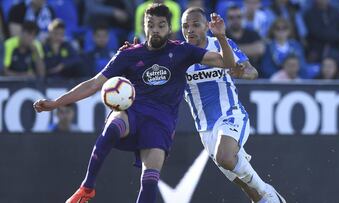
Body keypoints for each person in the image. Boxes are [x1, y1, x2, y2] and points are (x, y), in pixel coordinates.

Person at [33, 4, 238, 203]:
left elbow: (227, 63)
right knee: (114, 123)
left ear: (169, 27)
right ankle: (87, 187)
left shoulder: (182, 51)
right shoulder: (128, 54)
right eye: (151, 25)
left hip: (161, 123)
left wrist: (220, 37)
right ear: (143, 26)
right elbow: (94, 84)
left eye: (161, 25)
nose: (155, 30)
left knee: (149, 180)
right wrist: (56, 103)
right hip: (133, 113)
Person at [181, 7, 286, 203]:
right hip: (205, 129)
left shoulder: (222, 45)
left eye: (196, 25)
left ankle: (266, 190)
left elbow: (252, 72)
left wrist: (242, 73)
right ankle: (266, 196)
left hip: (230, 114)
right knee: (248, 190)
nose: (190, 30)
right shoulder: (179, 56)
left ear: (206, 26)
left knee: (225, 158)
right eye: (185, 26)